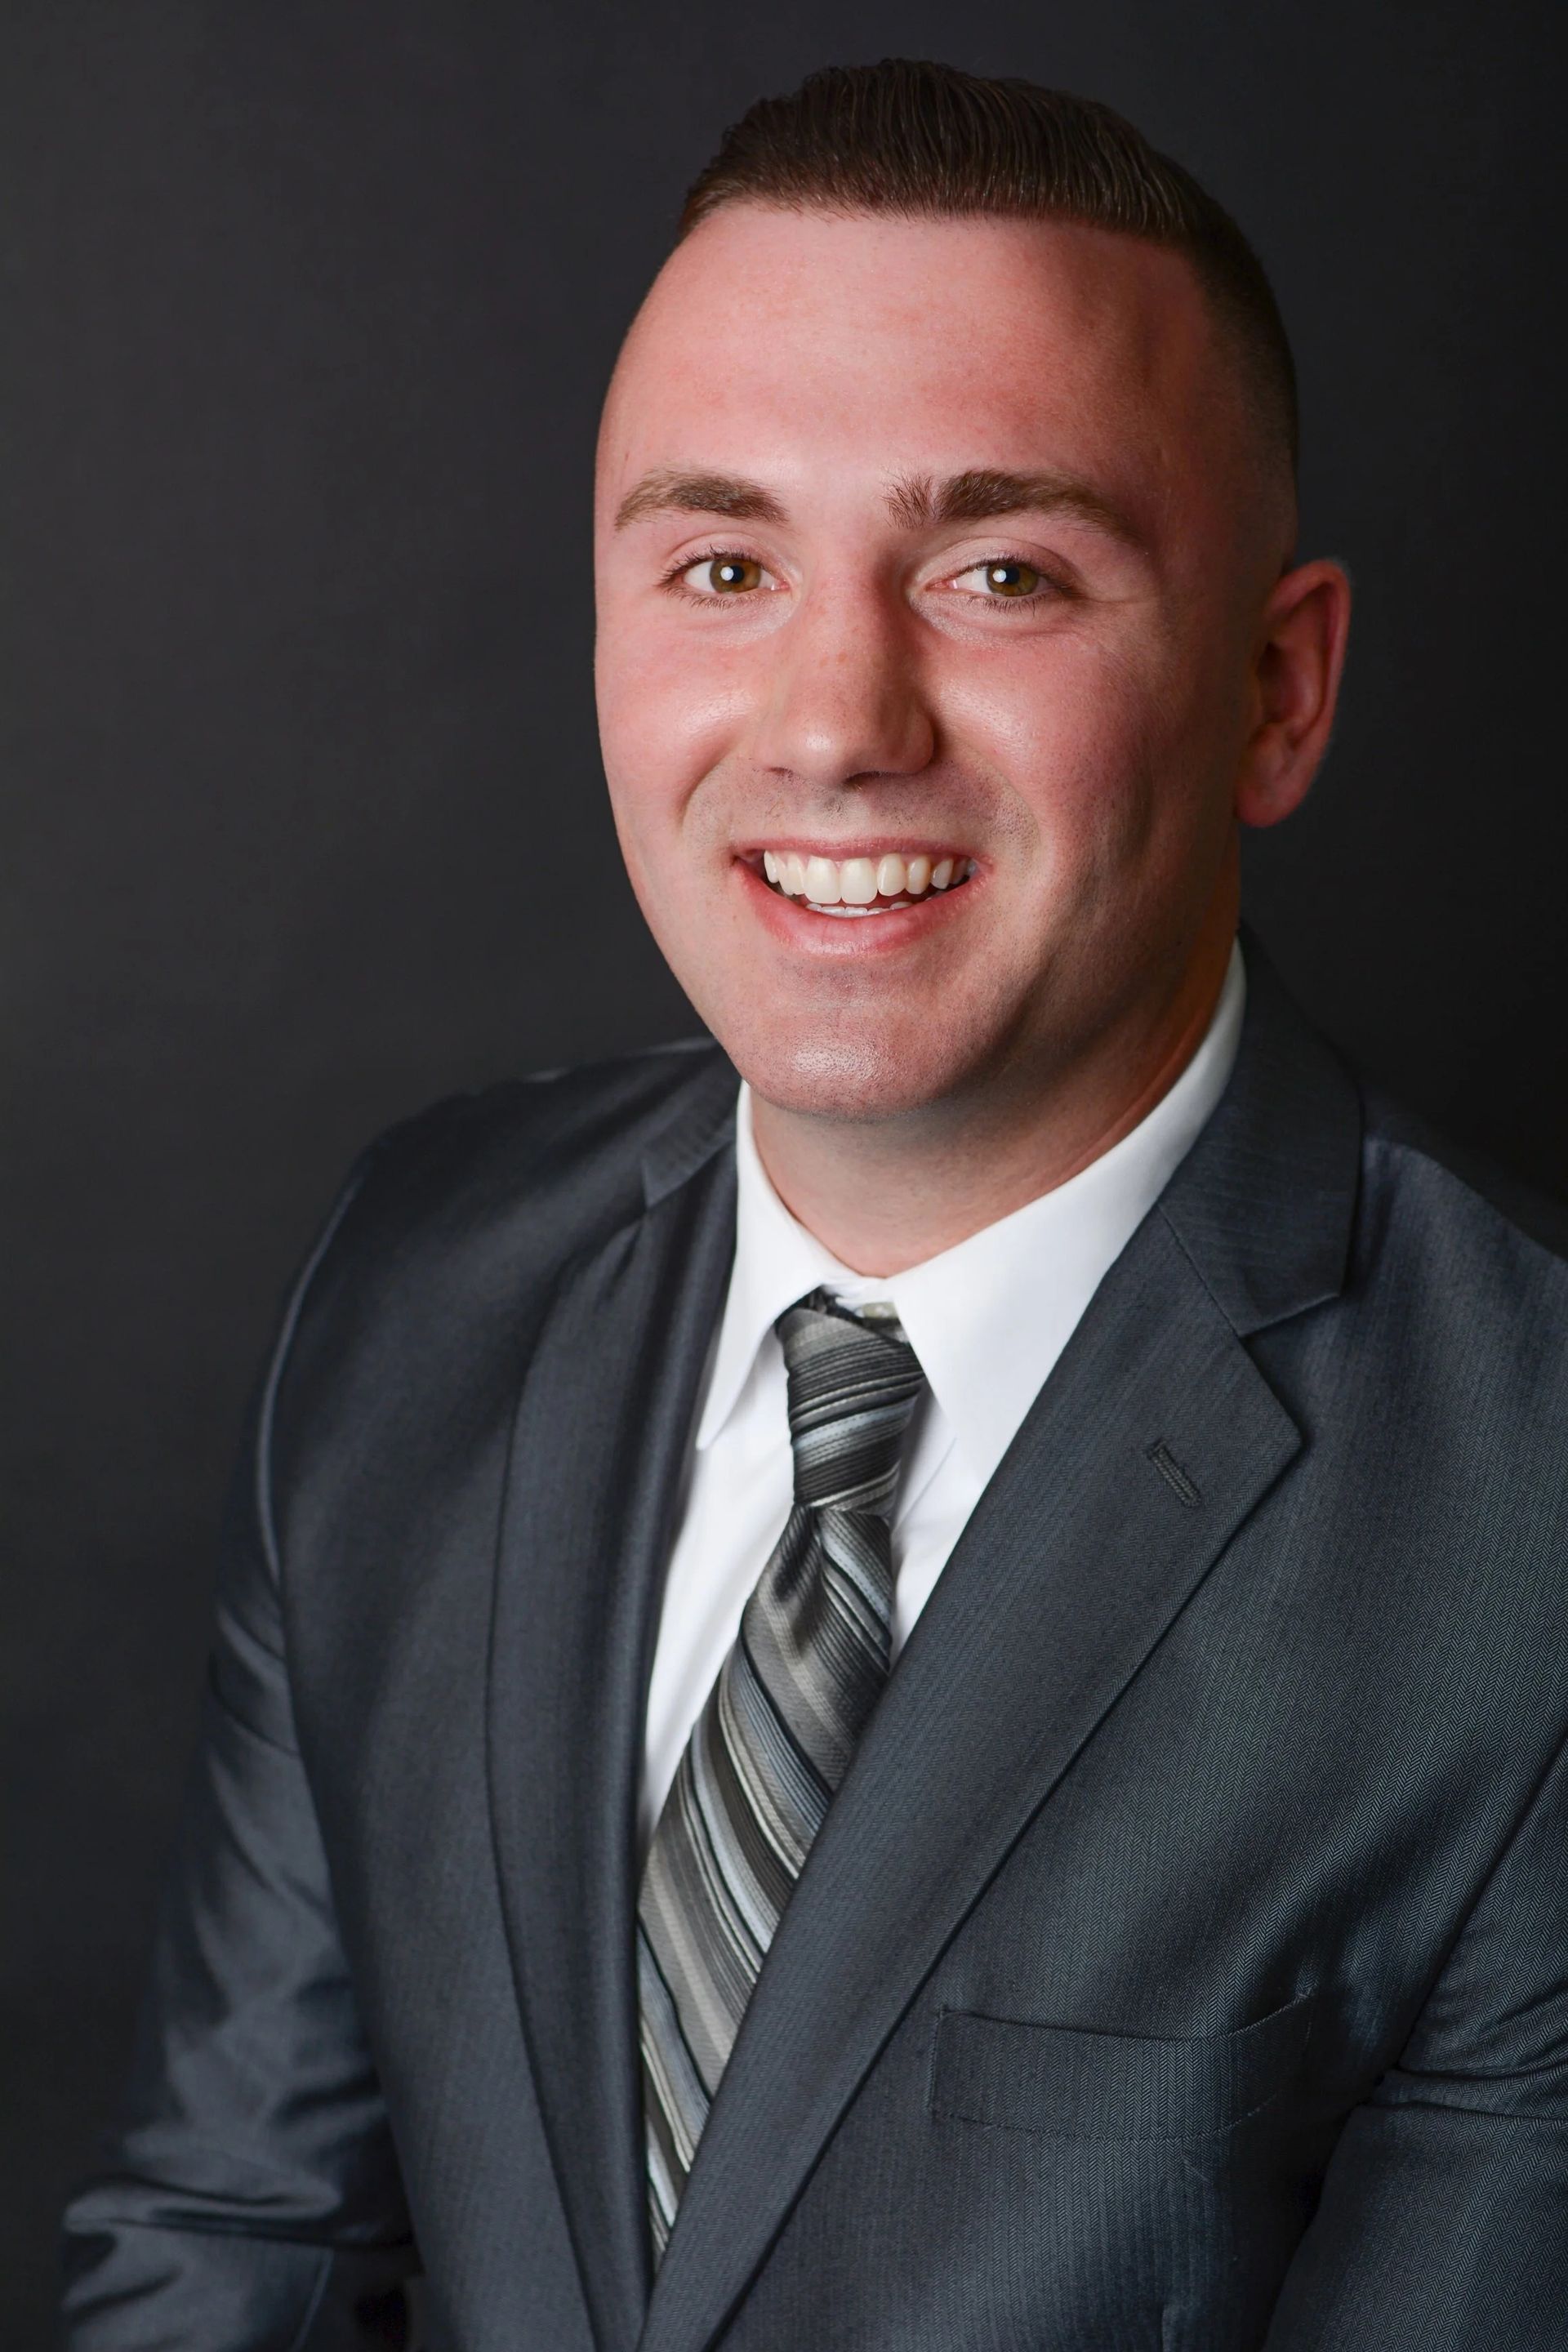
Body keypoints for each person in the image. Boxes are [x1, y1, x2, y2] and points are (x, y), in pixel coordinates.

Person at [62, 59, 1568, 2352]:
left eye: (1001, 571)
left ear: (1277, 688)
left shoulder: (1530, 1512)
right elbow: (236, 2247)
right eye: (727, 564)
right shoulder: (416, 1281)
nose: (838, 715)